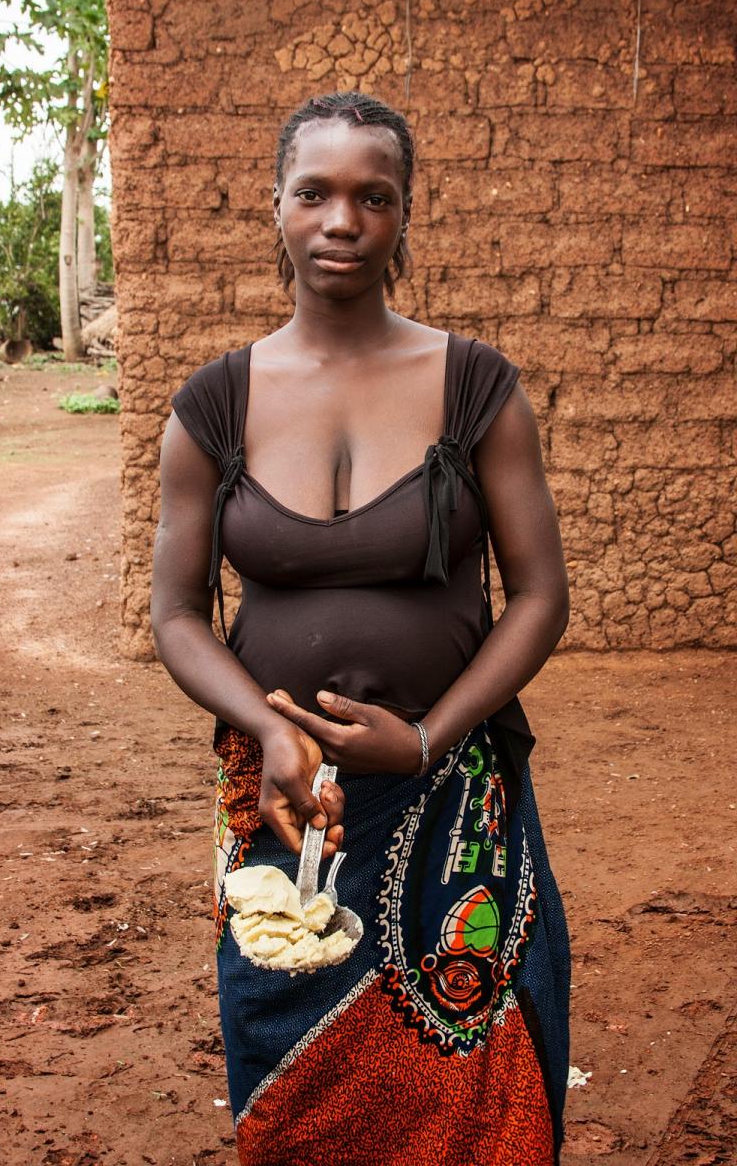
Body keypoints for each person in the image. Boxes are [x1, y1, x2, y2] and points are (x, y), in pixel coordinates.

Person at [151, 91, 571, 1166]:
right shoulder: (213, 405)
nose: (342, 220)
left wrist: (426, 738)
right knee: (287, 1038)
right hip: (286, 795)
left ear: (402, 214)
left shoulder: (475, 387)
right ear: (277, 207)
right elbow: (178, 615)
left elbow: (537, 597)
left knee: (473, 1054)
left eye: (371, 197)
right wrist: (269, 728)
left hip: (452, 782)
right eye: (315, 193)